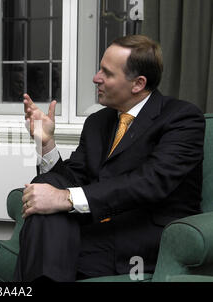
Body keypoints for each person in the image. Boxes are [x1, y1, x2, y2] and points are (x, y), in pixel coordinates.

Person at [16, 35, 205, 282]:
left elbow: (150, 182)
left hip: (140, 237)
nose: (96, 78)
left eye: (107, 73)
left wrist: (65, 198)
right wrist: (45, 142)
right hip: (94, 227)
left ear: (138, 83)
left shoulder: (182, 119)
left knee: (43, 241)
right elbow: (71, 178)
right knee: (47, 198)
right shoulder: (98, 121)